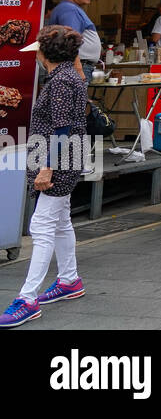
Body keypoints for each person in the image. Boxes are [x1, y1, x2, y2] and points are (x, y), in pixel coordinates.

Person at [0, 27, 89, 328]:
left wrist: (47, 167)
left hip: (57, 161)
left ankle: (27, 299)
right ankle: (69, 280)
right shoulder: (70, 76)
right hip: (67, 156)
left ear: (44, 52)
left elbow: (61, 129)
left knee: (41, 225)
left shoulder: (61, 81)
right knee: (60, 222)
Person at [45, 0, 99, 84]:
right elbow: (70, 40)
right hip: (75, 67)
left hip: (74, 66)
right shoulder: (69, 9)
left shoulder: (69, 8)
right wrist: (78, 69)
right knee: (72, 101)